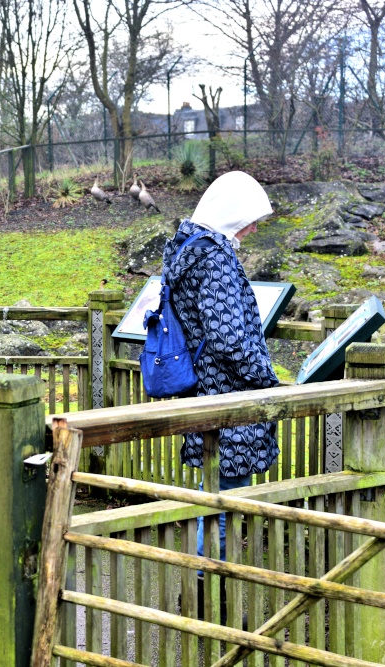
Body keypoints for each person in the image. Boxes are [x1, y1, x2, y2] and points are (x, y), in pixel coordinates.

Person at [160, 171, 280, 562]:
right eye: (250, 218)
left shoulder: (186, 250)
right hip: (229, 395)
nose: (255, 227)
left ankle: (204, 580)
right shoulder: (215, 258)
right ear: (232, 213)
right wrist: (266, 379)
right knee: (226, 498)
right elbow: (228, 338)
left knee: (214, 491)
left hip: (203, 388)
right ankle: (207, 585)